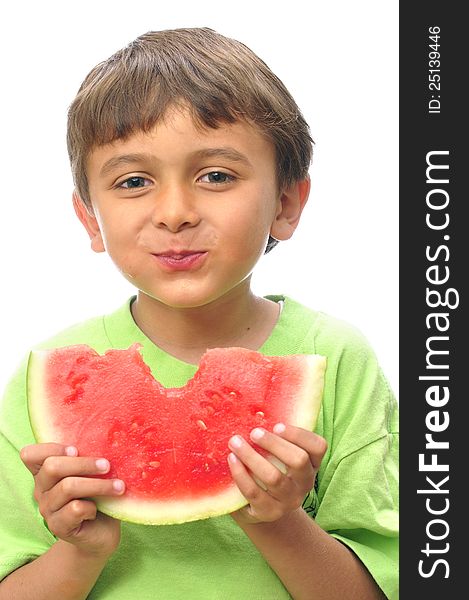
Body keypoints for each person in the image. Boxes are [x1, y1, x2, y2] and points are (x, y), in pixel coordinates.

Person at [0, 28, 398, 599]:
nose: (176, 213)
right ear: (90, 219)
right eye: (133, 181)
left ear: (286, 204)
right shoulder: (49, 372)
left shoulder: (334, 358)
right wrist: (78, 551)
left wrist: (281, 520)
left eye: (216, 176)